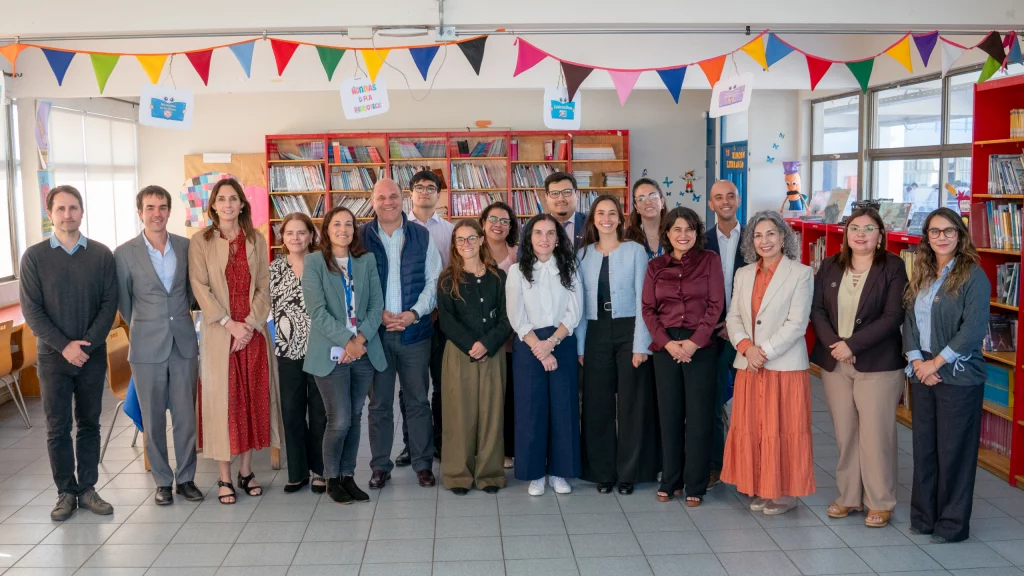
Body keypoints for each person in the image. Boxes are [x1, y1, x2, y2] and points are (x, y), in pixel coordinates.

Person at [20, 185, 118, 521]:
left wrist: (85, 345)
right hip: (53, 357)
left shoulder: (101, 255)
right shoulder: (34, 257)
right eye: (60, 209)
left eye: (73, 207)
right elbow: (32, 311)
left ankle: (87, 489)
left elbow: (109, 304)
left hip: (91, 355)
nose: (67, 214)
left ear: (82, 211)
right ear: (50, 214)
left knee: (89, 423)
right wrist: (64, 346)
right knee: (57, 427)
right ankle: (65, 492)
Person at [810, 208, 908, 528]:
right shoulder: (830, 265)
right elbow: (817, 310)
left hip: (878, 364)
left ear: (880, 235)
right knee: (845, 433)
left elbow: (893, 316)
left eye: (869, 228)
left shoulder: (893, 266)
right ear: (846, 234)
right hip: (835, 362)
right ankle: (849, 496)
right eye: (854, 228)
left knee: (876, 436)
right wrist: (836, 346)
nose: (861, 234)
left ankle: (880, 501)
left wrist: (853, 345)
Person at [190, 178, 280, 505]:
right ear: (213, 205)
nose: (228, 204)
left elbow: (264, 288)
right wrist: (230, 325)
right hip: (220, 333)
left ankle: (246, 471)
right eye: (222, 199)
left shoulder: (256, 239)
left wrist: (250, 325)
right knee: (224, 403)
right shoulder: (200, 241)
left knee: (252, 399)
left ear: (242, 204)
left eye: (233, 199)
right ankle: (224, 476)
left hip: (252, 333)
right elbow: (200, 287)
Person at [903, 207, 989, 543]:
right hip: (921, 371)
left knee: (954, 451)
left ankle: (952, 525)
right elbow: (909, 319)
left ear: (960, 235)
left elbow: (973, 330)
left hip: (957, 374)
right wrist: (917, 362)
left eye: (949, 231)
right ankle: (925, 518)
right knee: (924, 448)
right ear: (926, 237)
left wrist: (935, 363)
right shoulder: (922, 272)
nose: (942, 237)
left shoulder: (973, 276)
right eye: (935, 231)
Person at [114, 185, 203, 505]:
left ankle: (187, 478)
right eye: (150, 208)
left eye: (162, 207)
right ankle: (163, 481)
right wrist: (149, 324)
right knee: (152, 419)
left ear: (169, 211)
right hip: (146, 347)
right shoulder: (124, 253)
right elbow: (125, 303)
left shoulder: (186, 246)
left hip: (183, 343)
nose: (157, 213)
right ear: (140, 212)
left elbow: (192, 293)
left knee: (185, 417)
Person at [722, 211, 815, 515]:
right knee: (755, 428)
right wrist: (746, 348)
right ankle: (763, 487)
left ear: (783, 237)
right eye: (758, 235)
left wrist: (763, 352)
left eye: (771, 234)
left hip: (783, 366)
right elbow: (733, 317)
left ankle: (785, 492)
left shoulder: (800, 273)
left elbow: (797, 323)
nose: (765, 241)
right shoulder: (743, 274)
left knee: (785, 429)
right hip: (749, 365)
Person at [359, 178, 442, 489]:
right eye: (381, 197)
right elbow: (354, 283)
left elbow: (433, 280)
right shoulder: (360, 237)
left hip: (415, 334)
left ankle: (423, 464)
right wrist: (377, 314)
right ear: (373, 201)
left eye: (393, 196)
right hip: (376, 335)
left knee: (418, 401)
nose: (388, 202)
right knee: (379, 404)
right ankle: (380, 466)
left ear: (403, 199)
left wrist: (414, 313)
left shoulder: (421, 235)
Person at [302, 206, 386, 504]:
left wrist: (359, 341)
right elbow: (317, 312)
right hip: (330, 352)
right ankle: (332, 478)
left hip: (363, 350)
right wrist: (348, 342)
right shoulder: (314, 262)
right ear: (326, 229)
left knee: (354, 416)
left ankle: (348, 476)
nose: (343, 229)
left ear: (355, 230)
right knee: (338, 419)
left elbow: (376, 306)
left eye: (348, 224)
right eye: (336, 224)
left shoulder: (366, 261)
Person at [642, 207, 724, 506]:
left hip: (700, 347)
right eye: (677, 229)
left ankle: (696, 484)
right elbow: (648, 310)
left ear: (696, 232)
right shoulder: (655, 266)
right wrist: (667, 343)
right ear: (667, 233)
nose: (683, 235)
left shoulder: (709, 260)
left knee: (699, 417)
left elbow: (716, 304)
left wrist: (693, 343)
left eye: (689, 229)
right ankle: (671, 479)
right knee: (670, 415)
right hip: (666, 349)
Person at [577, 195, 659, 495]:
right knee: (596, 403)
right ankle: (602, 471)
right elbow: (579, 304)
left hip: (629, 329)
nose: (606, 219)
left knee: (632, 403)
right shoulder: (582, 255)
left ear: (621, 218)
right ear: (593, 219)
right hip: (595, 331)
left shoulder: (635, 251)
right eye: (601, 213)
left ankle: (630, 472)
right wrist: (581, 347)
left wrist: (641, 345)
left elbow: (643, 300)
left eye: (612, 213)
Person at [507, 214, 584, 496]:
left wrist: (551, 343)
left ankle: (560, 472)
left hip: (562, 341)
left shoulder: (569, 267)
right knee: (531, 410)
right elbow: (516, 316)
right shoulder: (517, 271)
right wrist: (540, 349)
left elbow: (575, 311)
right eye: (538, 233)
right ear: (529, 238)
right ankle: (535, 474)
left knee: (564, 408)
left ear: (558, 239)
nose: (544, 238)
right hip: (529, 345)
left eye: (551, 233)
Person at [437, 219, 511, 494]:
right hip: (459, 354)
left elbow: (507, 318)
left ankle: (490, 474)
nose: (466, 244)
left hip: (493, 353)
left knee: (492, 415)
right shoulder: (447, 279)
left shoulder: (498, 277)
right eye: (460, 239)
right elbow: (446, 320)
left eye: (471, 238)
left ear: (481, 240)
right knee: (459, 415)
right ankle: (458, 475)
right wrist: (472, 345)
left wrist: (487, 345)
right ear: (454, 245)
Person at [398, 169, 454, 466]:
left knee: (442, 385)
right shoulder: (398, 229)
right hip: (409, 320)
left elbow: (453, 273)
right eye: (419, 187)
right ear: (411, 193)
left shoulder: (449, 231)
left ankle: (441, 442)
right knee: (411, 387)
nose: (424, 192)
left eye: (431, 187)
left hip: (442, 319)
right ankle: (412, 444)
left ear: (438, 194)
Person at [270, 213, 326, 494]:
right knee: (292, 411)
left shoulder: (322, 264)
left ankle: (320, 471)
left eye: (301, 232)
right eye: (289, 233)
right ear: (282, 237)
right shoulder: (274, 268)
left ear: (311, 235)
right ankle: (297, 472)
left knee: (319, 412)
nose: (295, 237)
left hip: (320, 348)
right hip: (287, 349)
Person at [704, 180, 745, 489]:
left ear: (738, 200)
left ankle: (748, 468)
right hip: (714, 335)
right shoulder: (702, 242)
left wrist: (737, 326)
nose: (725, 201)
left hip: (750, 335)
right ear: (711, 204)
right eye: (718, 197)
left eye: (730, 196)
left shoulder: (757, 239)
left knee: (750, 406)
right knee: (713, 402)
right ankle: (716, 465)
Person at [481, 201, 519, 470]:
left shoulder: (518, 253)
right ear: (483, 223)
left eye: (504, 220)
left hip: (514, 337)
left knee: (510, 396)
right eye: (493, 219)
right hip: (482, 338)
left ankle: (509, 450)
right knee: (486, 397)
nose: (498, 225)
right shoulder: (472, 251)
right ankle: (485, 449)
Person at [520, 172, 586, 254]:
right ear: (546, 197)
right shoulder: (531, 227)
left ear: (576, 194)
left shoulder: (591, 224)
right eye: (554, 193)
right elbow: (523, 259)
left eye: (567, 192)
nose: (561, 199)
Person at [624, 177, 667, 259]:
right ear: (636, 207)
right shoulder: (627, 238)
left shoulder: (675, 232)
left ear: (662, 201)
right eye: (641, 199)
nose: (648, 202)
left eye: (653, 196)